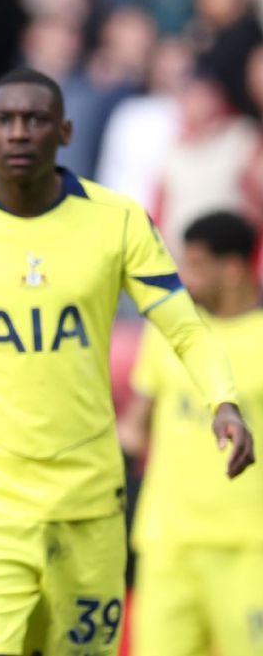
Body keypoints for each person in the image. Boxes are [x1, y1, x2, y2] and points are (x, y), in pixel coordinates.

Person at [0, 66, 255, 656]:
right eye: (4, 120)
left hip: (88, 508)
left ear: (65, 131)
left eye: (36, 119)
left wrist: (221, 399)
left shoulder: (117, 219)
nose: (19, 132)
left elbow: (185, 327)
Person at [119, 211, 263, 656]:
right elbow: (135, 426)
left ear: (233, 268)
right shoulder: (172, 331)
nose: (185, 276)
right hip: (167, 542)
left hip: (247, 546)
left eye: (197, 265)